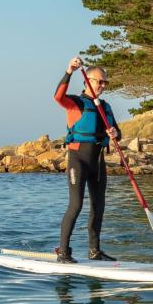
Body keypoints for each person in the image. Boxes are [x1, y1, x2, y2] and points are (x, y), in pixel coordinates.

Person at [54, 56, 120, 263]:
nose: (102, 85)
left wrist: (115, 133)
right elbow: (57, 97)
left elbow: (118, 131)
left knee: (98, 206)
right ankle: (63, 252)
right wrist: (69, 71)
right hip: (78, 160)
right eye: (99, 81)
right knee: (76, 205)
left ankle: (95, 251)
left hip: (98, 163)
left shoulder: (105, 107)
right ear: (87, 81)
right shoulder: (75, 102)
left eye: (105, 82)